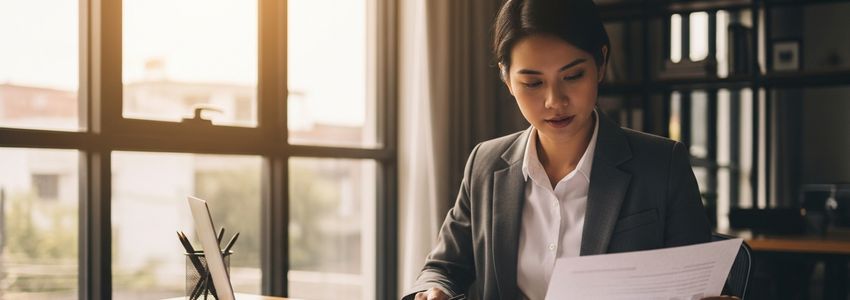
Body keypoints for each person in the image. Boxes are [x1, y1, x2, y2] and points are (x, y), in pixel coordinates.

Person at [404, 0, 723, 299]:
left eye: (573, 76)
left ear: (601, 64)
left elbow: (695, 282)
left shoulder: (662, 165)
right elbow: (443, 268)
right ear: (507, 78)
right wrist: (435, 289)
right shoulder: (485, 165)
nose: (554, 101)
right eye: (532, 83)